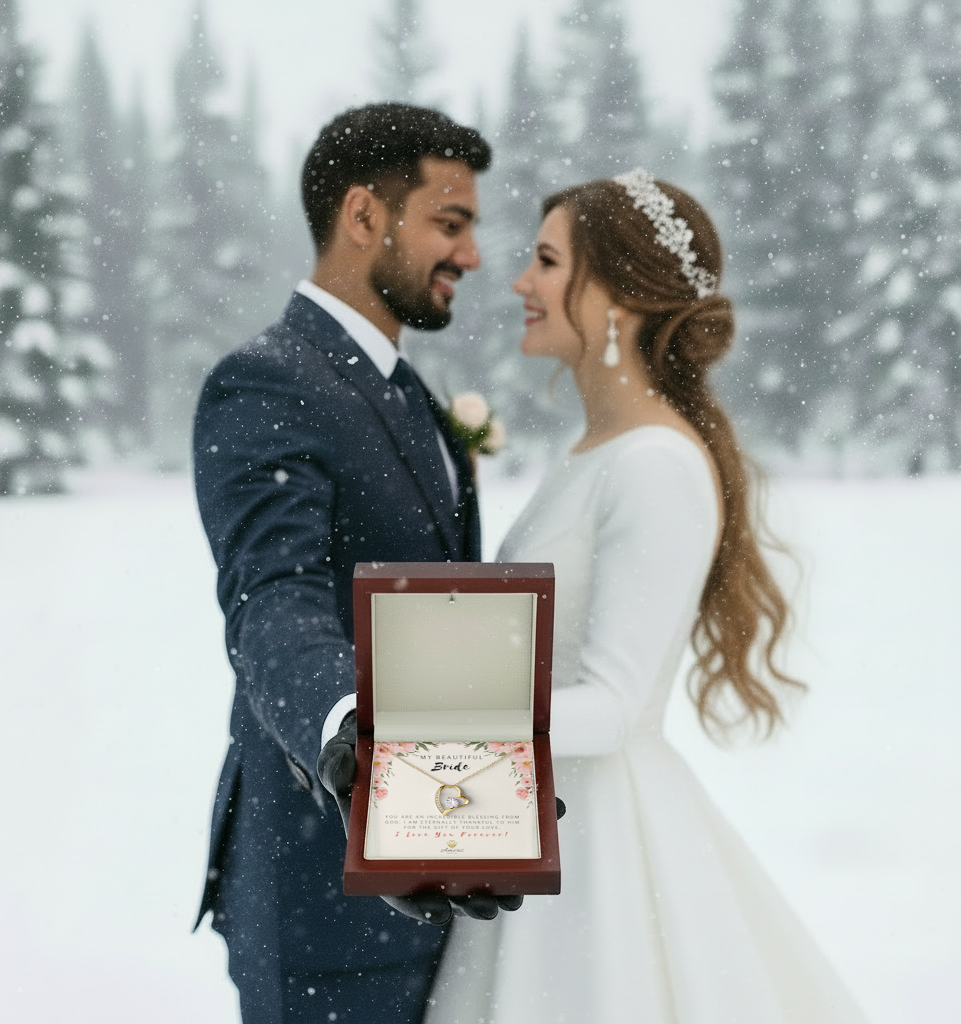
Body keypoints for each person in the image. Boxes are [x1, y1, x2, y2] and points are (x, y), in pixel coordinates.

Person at [424, 171, 868, 1023]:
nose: (521, 282)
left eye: (547, 261)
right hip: (535, 820)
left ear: (620, 298)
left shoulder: (654, 464)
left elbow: (618, 705)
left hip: (598, 850)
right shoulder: (598, 448)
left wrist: (442, 728)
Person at [192, 102, 516, 1024]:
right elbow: (273, 599)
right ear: (365, 215)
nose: (473, 256)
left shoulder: (411, 394)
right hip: (324, 901)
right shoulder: (266, 383)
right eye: (449, 224)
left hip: (440, 876)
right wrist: (350, 730)